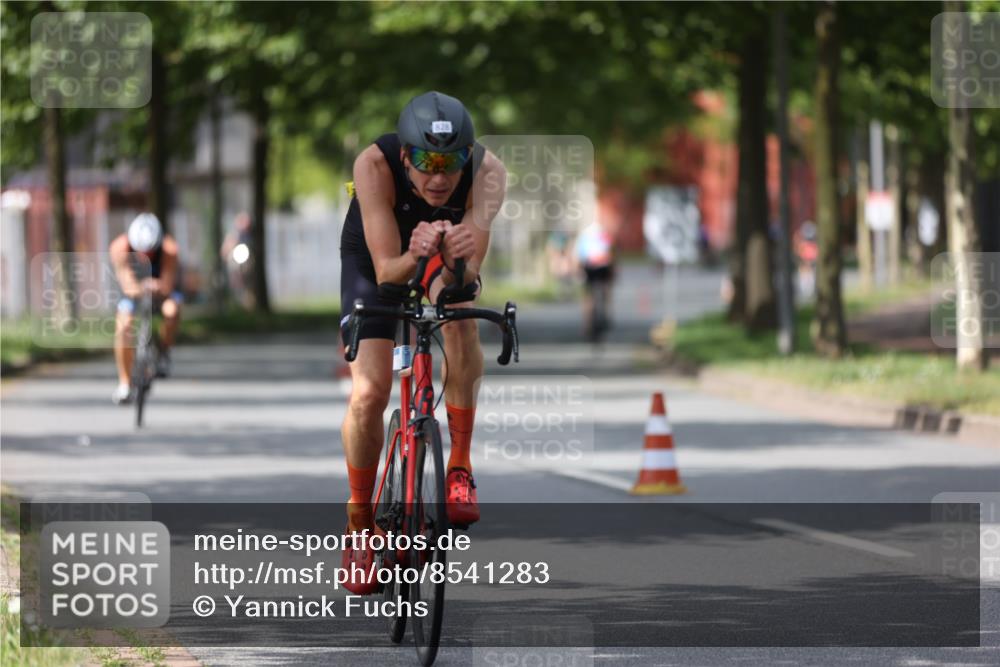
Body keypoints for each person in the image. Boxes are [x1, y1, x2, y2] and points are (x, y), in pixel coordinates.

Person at [338, 91, 506, 593]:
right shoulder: (373, 165)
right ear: (406, 156)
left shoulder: (489, 173)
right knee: (370, 392)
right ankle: (359, 526)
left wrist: (456, 261)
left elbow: (468, 279)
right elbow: (389, 270)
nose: (439, 178)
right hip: (380, 258)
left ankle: (459, 466)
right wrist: (415, 253)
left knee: (460, 318)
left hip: (441, 254)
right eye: (428, 163)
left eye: (451, 163)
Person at [109, 213, 182, 404]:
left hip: (161, 294)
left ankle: (164, 350)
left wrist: (158, 287)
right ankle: (124, 384)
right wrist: (140, 287)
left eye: (151, 252)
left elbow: (167, 283)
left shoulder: (169, 249)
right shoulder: (119, 247)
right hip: (132, 293)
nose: (146, 256)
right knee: (123, 327)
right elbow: (126, 282)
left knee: (172, 311)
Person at [574, 221, 615, 342]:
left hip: (589, 267)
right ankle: (606, 314)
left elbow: (578, 257)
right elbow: (611, 254)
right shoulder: (604, 236)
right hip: (603, 267)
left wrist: (578, 271)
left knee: (588, 295)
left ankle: (587, 325)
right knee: (605, 289)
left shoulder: (584, 237)